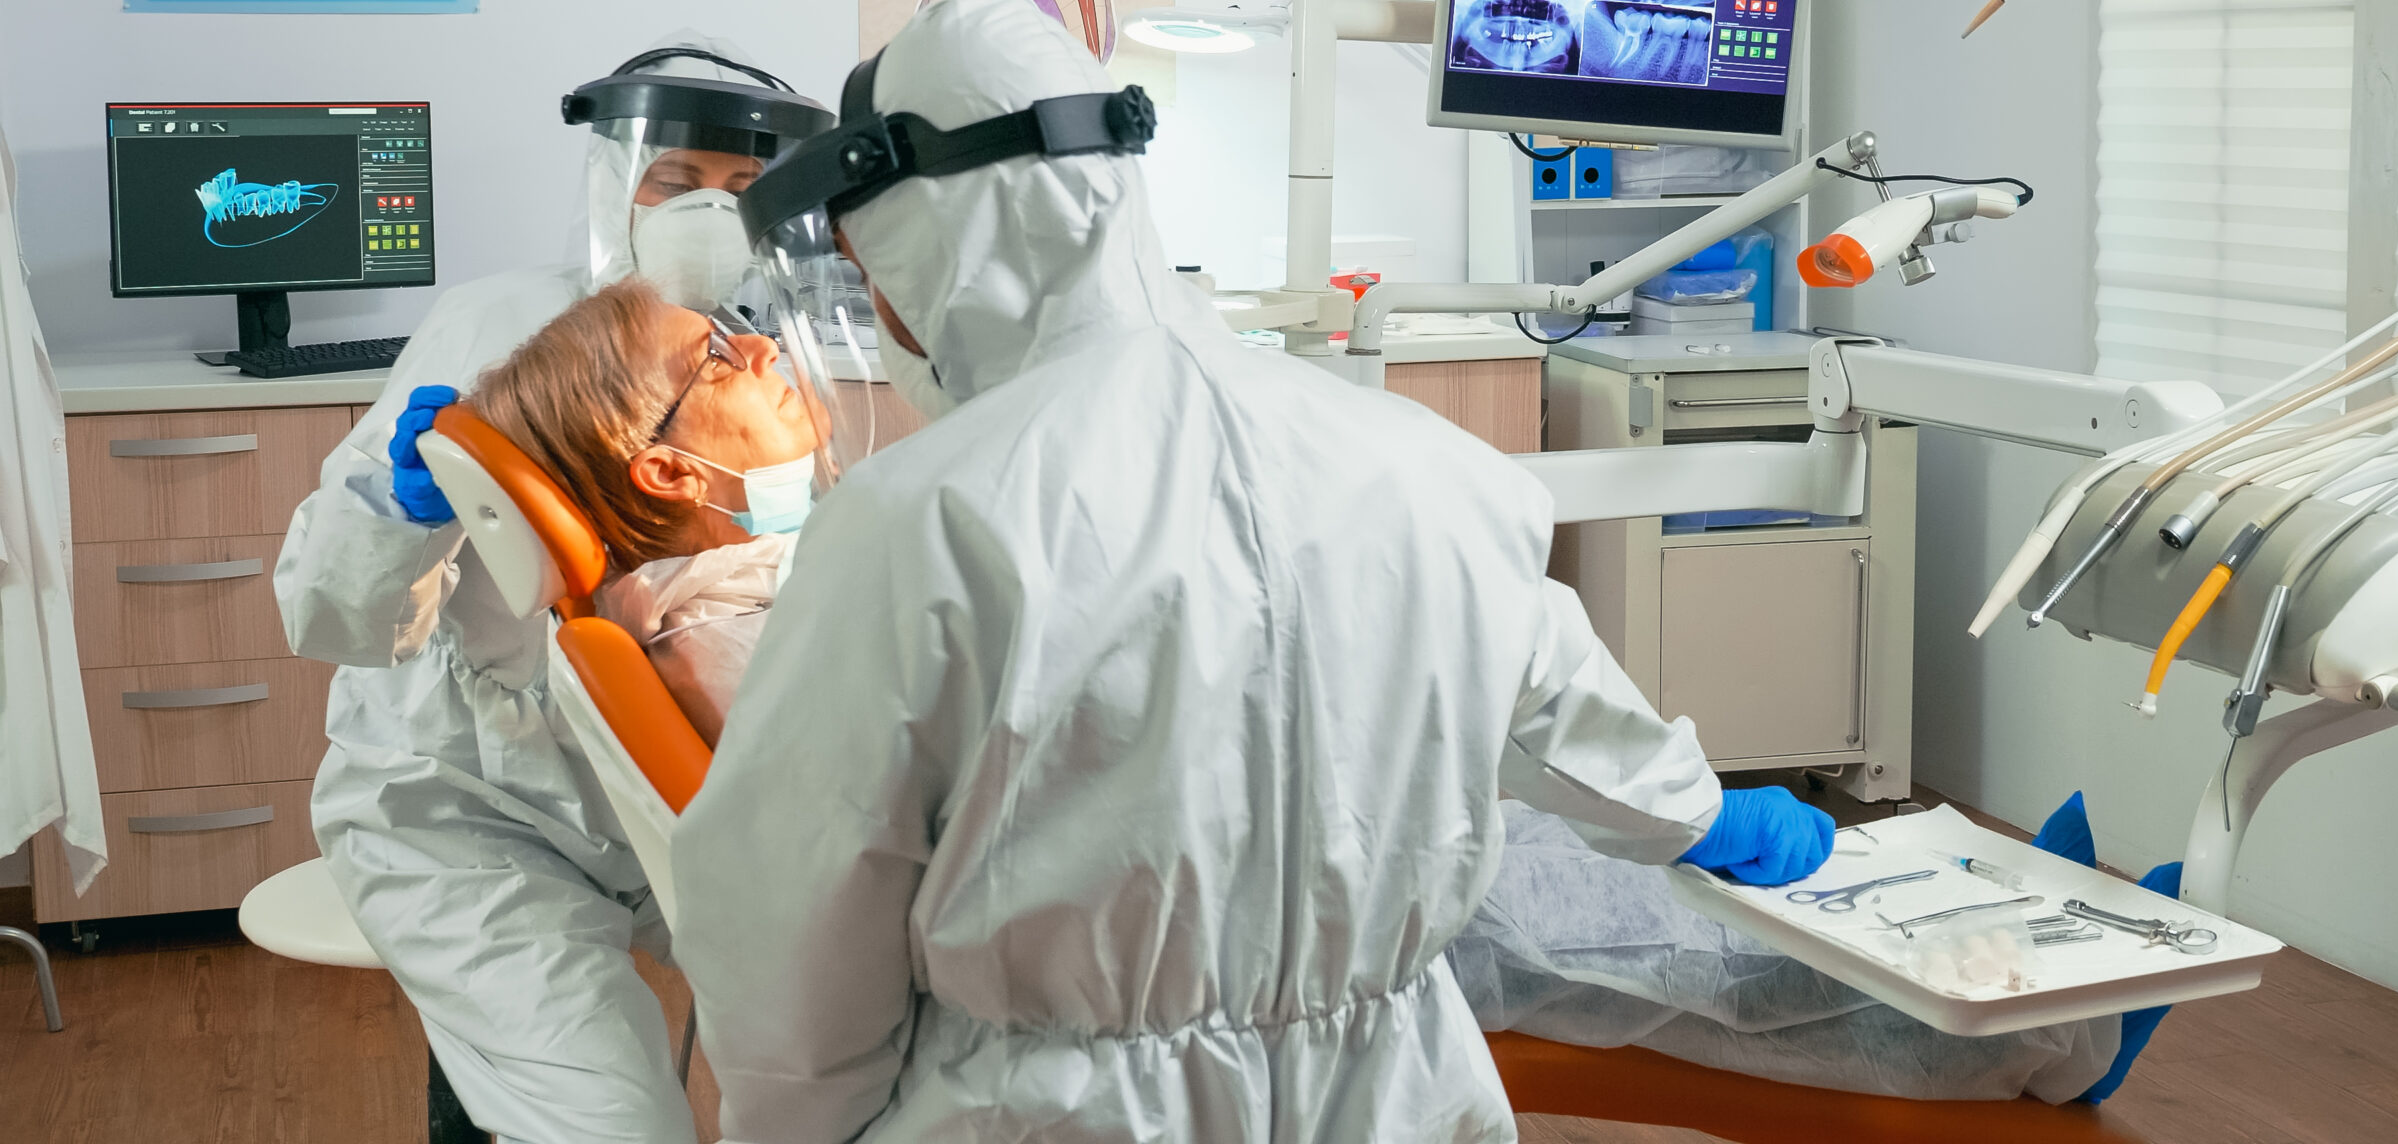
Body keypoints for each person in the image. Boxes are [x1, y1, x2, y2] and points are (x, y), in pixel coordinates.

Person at [470, 258, 2137, 1115]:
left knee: (1597, 871)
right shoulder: (742, 612)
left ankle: (1958, 920)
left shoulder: (748, 580)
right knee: (1631, 925)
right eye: (714, 354)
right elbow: (881, 875)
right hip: (1213, 924)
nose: (763, 348)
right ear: (655, 458)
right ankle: (2029, 1033)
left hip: (1199, 878)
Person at [666, 0, 1835, 1143]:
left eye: (872, 268)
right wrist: (1695, 814)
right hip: (1399, 1098)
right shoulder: (1435, 471)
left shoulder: (919, 524)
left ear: (926, 241)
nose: (874, 304)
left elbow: (788, 916)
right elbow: (1562, 716)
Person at [273, 44, 831, 1144]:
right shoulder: (498, 334)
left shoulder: (764, 350)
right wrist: (400, 513)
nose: (708, 218)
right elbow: (325, 613)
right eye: (677, 183)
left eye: (739, 190)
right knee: (608, 1122)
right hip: (471, 809)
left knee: (859, 1038)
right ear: (613, 181)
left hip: (660, 794)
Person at [466, 278, 823, 743]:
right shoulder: (739, 660)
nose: (763, 346)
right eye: (717, 357)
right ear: (671, 474)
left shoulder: (776, 584)